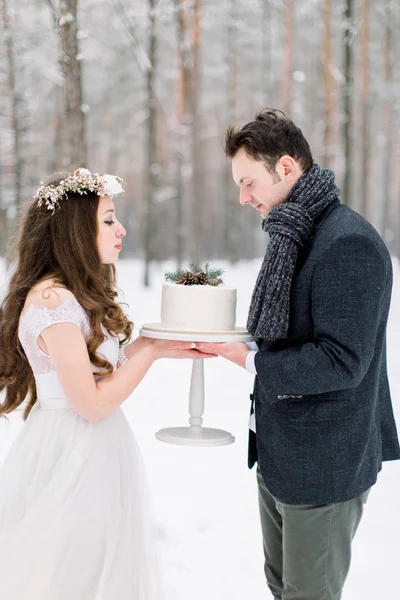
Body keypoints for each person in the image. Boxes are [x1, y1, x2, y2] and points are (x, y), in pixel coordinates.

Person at [196, 109, 400, 600]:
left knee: (309, 593)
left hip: (324, 463)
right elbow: (292, 330)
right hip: (279, 451)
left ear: (286, 168)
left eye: (248, 182)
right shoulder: (294, 231)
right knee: (280, 585)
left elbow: (341, 362)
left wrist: (247, 360)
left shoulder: (347, 242)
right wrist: (246, 343)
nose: (243, 197)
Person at [0, 168, 214, 600]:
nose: (122, 230)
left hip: (95, 446)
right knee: (69, 573)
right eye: (110, 220)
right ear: (76, 231)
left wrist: (155, 343)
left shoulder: (70, 294)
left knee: (99, 568)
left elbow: (100, 372)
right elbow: (91, 404)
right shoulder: (53, 300)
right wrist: (149, 354)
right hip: (72, 451)